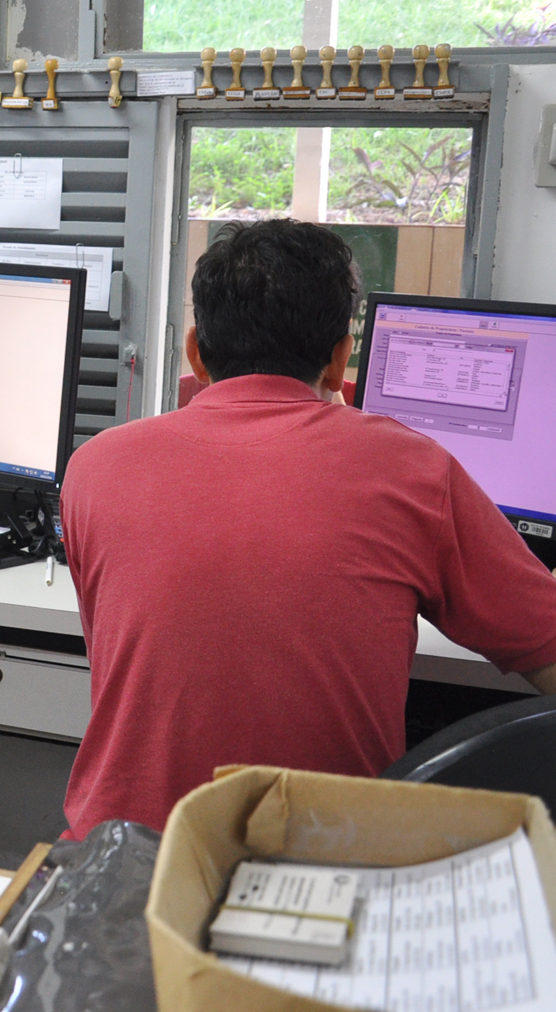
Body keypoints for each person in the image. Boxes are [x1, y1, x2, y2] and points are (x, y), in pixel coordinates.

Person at [59, 219, 556, 837]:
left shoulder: (95, 466)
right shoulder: (411, 469)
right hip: (317, 867)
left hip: (119, 860)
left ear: (195, 352)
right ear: (341, 358)